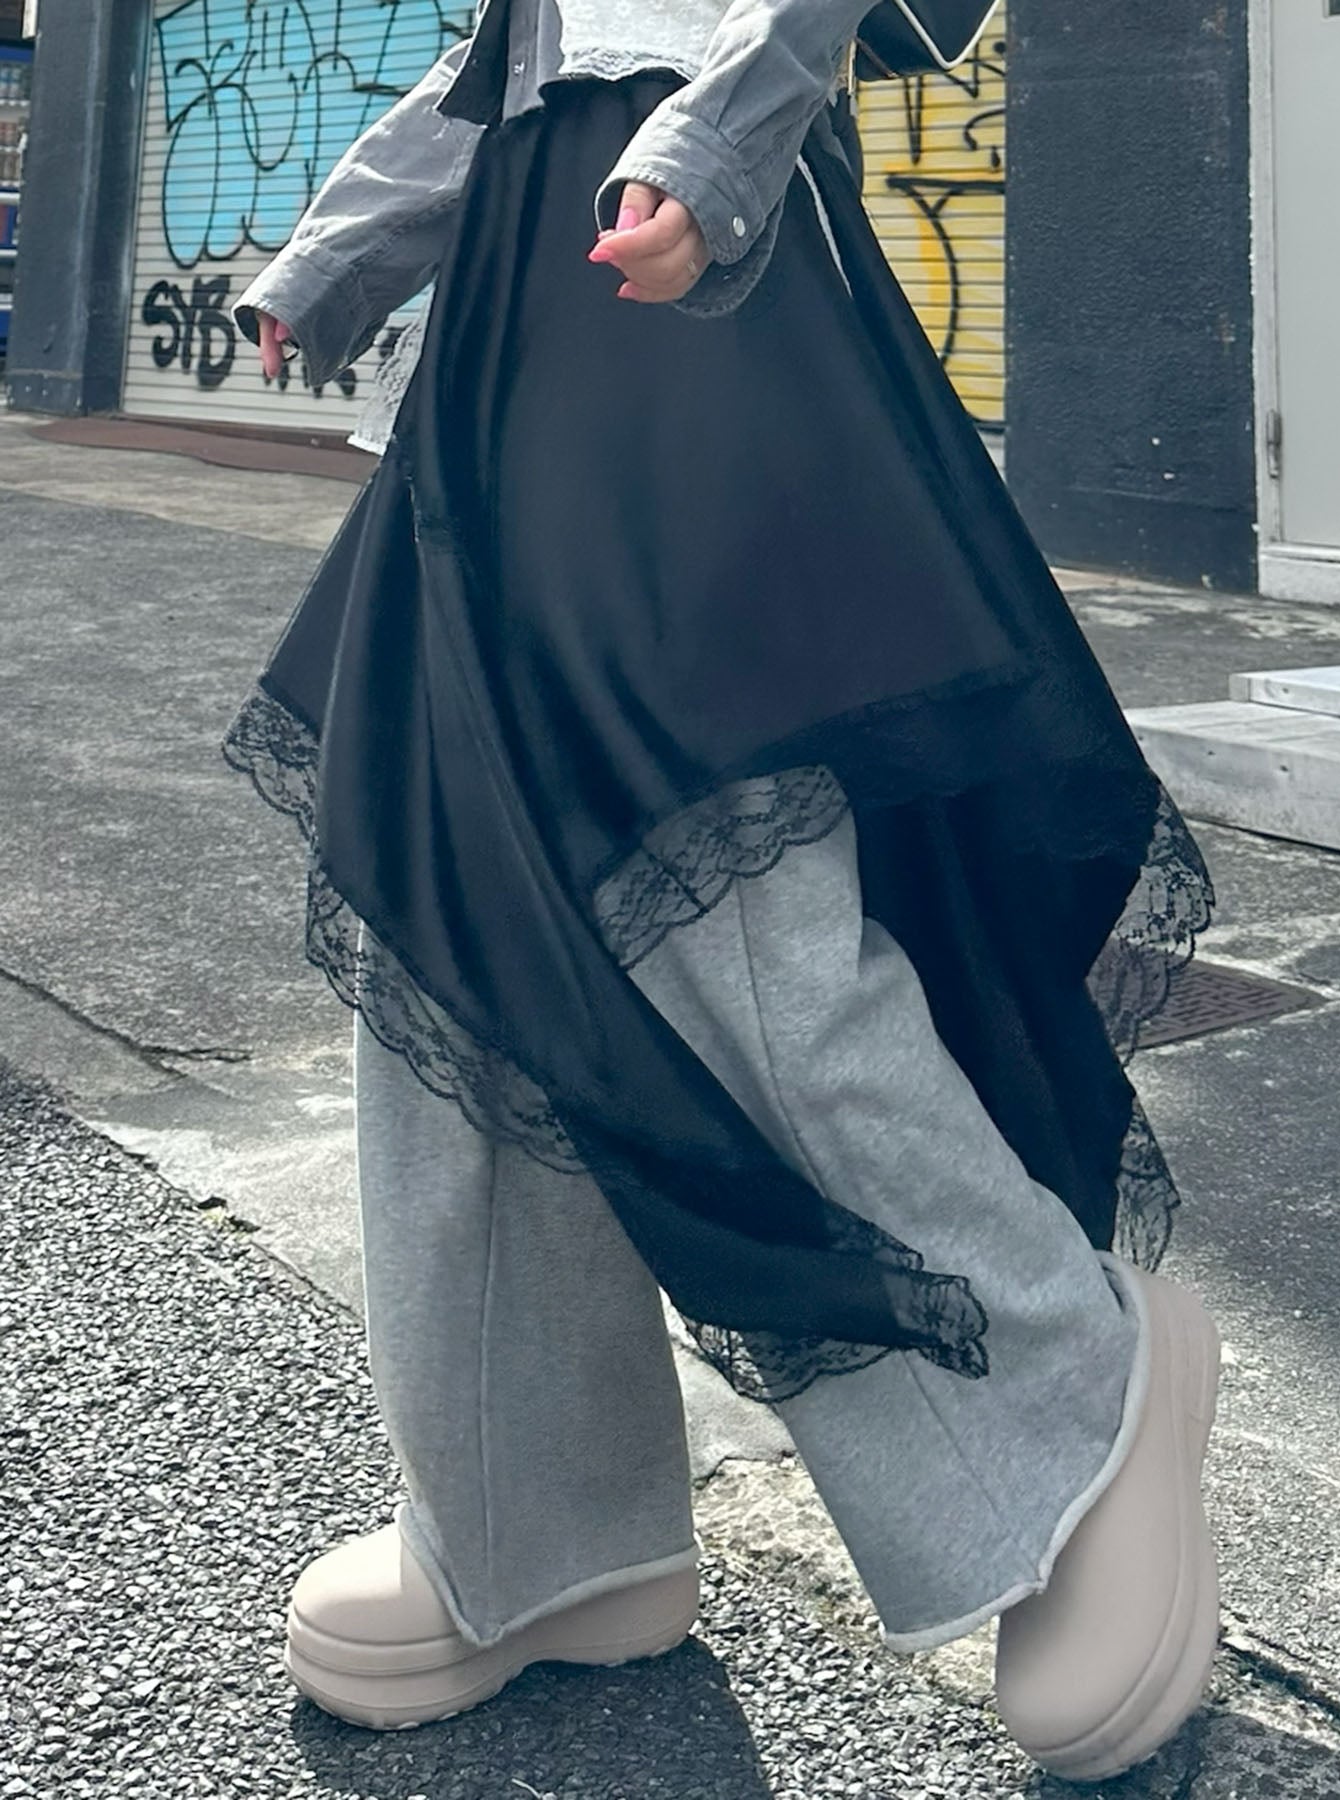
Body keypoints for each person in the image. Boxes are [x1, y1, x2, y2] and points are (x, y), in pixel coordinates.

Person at [224, 0, 1222, 1779]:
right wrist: (336, 254)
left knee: (730, 921)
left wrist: (712, 150)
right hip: (524, 313)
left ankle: (1073, 1410)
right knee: (457, 907)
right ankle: (538, 1536)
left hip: (712, 300)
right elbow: (498, 58)